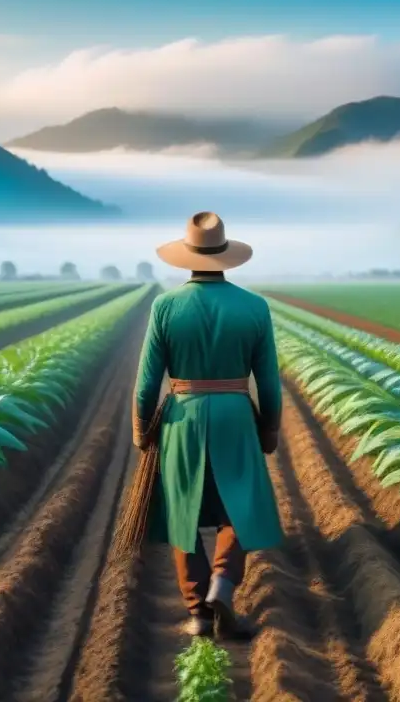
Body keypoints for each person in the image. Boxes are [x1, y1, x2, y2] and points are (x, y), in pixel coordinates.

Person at [131, 211, 284, 639]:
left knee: (182, 511)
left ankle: (198, 613)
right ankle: (223, 582)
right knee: (240, 506)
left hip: (182, 416)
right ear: (226, 256)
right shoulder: (254, 307)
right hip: (236, 416)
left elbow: (146, 385)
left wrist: (143, 430)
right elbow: (269, 383)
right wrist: (269, 429)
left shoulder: (166, 306)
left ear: (187, 257)